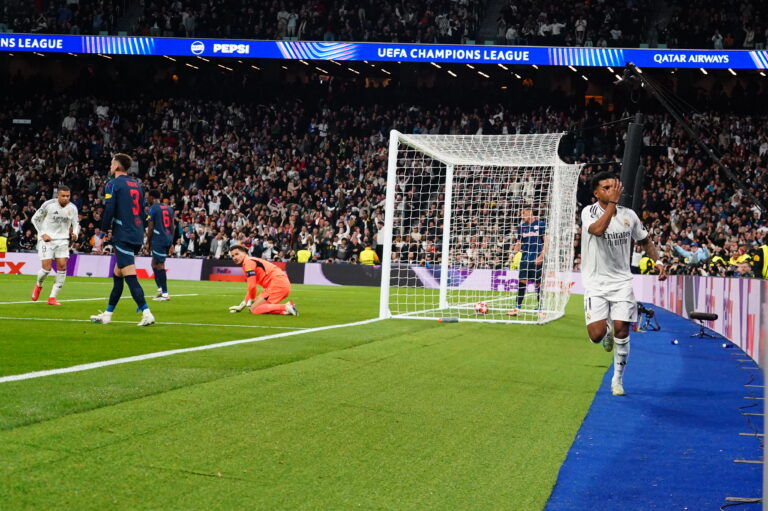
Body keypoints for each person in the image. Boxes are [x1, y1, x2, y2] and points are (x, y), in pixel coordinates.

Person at [581, 172, 667, 396]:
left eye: (614, 186)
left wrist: (657, 261)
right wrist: (612, 204)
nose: (612, 190)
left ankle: (617, 379)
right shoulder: (588, 212)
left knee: (623, 328)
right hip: (596, 283)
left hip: (621, 282)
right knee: (596, 335)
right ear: (596, 193)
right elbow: (598, 230)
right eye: (606, 187)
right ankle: (606, 329)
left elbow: (645, 240)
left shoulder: (629, 215)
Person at [90, 154, 155, 326]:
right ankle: (107, 314)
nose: (110, 166)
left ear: (117, 166)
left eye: (112, 163)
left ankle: (146, 313)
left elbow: (109, 209)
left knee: (130, 276)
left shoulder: (112, 184)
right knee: (118, 275)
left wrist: (102, 234)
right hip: (136, 233)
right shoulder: (137, 185)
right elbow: (143, 211)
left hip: (123, 234)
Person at [30, 185, 80, 305]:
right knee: (46, 269)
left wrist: (75, 233)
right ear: (58, 195)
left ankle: (52, 297)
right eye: (63, 196)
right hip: (47, 240)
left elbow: (76, 223)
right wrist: (43, 234)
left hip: (62, 240)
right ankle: (39, 285)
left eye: (68, 196)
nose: (66, 198)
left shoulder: (72, 208)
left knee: (62, 267)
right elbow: (35, 219)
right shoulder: (48, 205)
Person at [227, 245, 298, 315]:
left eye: (237, 254)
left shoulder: (248, 262)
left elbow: (252, 286)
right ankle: (286, 311)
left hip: (277, 284)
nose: (235, 258)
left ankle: (285, 307)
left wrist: (251, 299)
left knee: (254, 309)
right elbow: (251, 288)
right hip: (279, 284)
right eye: (232, 256)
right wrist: (242, 304)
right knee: (256, 308)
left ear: (244, 253)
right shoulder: (248, 261)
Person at [508, 207, 547, 316]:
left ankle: (541, 309)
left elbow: (546, 242)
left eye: (523, 213)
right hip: (525, 259)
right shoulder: (521, 227)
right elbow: (519, 243)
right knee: (522, 282)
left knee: (538, 283)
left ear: (530, 213)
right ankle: (517, 308)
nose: (521, 215)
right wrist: (513, 253)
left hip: (536, 259)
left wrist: (541, 256)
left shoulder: (541, 224)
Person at [145, 189, 174, 300]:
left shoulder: (153, 209)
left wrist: (148, 242)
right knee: (154, 264)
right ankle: (160, 290)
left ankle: (165, 294)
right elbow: (172, 226)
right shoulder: (169, 208)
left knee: (160, 265)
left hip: (158, 238)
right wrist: (171, 241)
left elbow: (151, 227)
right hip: (167, 238)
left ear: (152, 197)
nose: (147, 199)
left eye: (148, 197)